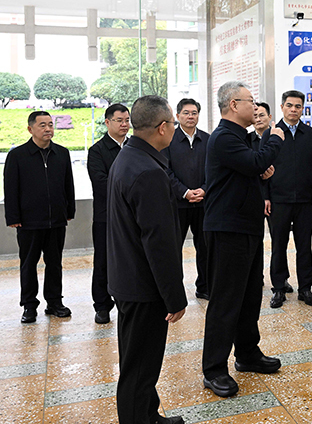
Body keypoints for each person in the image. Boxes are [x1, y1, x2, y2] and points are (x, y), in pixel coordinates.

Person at [202, 82, 285, 398]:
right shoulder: (224, 136)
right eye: (251, 101)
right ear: (234, 104)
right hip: (228, 230)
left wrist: (259, 172)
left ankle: (248, 353)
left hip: (246, 227)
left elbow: (249, 169)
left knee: (250, 295)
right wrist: (274, 138)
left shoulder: (239, 137)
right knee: (226, 300)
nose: (256, 106)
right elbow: (255, 162)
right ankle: (213, 369)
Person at [107, 95, 187, 424]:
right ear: (163, 127)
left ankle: (149, 415)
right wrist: (174, 296)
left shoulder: (129, 157)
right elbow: (158, 242)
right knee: (139, 368)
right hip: (143, 286)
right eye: (174, 123)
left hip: (127, 278)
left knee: (139, 360)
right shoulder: (148, 171)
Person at [4, 111, 75, 324]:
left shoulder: (62, 153)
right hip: (28, 222)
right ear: (30, 129)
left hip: (56, 220)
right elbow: (10, 188)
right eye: (42, 125)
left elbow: (68, 185)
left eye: (50, 124)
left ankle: (54, 302)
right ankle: (29, 305)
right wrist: (13, 216)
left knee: (55, 263)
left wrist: (69, 211)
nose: (48, 129)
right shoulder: (17, 156)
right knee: (28, 264)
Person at [265, 90, 312, 308]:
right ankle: (279, 288)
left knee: (304, 246)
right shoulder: (271, 134)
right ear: (282, 107)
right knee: (278, 245)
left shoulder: (310, 134)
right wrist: (265, 197)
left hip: (304, 200)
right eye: (289, 105)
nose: (293, 110)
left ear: (302, 109)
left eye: (298, 106)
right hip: (278, 200)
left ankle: (305, 288)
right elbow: (262, 166)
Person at [86, 103, 129, 324]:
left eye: (127, 120)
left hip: (132, 216)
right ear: (107, 122)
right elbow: (101, 183)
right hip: (106, 216)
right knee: (103, 261)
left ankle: (127, 300)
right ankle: (102, 306)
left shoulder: (134, 147)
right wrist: (132, 190)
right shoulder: (97, 151)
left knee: (129, 259)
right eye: (119, 121)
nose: (124, 125)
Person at [165, 98, 210, 300]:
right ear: (177, 116)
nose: (190, 116)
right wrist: (184, 192)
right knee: (174, 250)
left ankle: (205, 287)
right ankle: (175, 292)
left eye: (194, 113)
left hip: (203, 204)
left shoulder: (208, 140)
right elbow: (165, 171)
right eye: (186, 113)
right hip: (177, 204)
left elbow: (215, 169)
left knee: (206, 248)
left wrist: (204, 189)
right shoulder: (168, 139)